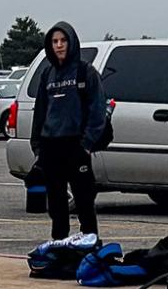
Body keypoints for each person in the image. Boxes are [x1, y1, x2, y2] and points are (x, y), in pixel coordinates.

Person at [24, 21, 109, 242]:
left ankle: (90, 244)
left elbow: (98, 112)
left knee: (83, 200)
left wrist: (87, 145)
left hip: (76, 146)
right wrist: (38, 148)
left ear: (71, 42)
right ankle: (59, 245)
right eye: (55, 41)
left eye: (63, 41)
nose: (59, 45)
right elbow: (40, 112)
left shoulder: (86, 73)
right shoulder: (47, 74)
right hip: (51, 145)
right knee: (56, 203)